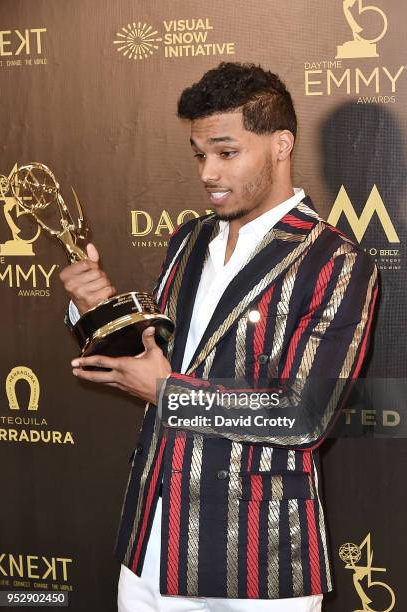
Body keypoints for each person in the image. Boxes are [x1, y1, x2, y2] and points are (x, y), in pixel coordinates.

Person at [59, 62, 378, 611]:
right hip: (154, 539)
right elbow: (154, 356)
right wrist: (95, 308)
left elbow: (304, 416)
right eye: (199, 154)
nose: (208, 172)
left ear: (281, 145)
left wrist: (170, 395)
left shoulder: (335, 261)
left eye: (227, 153)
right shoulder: (189, 239)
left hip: (260, 555)